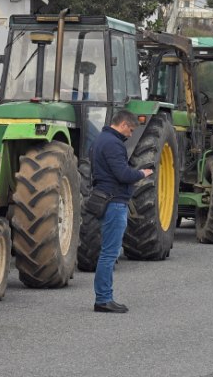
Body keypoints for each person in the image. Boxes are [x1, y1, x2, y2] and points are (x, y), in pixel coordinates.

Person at [90, 110, 153, 313]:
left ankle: (104, 297)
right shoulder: (113, 144)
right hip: (114, 202)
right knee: (110, 253)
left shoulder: (100, 139)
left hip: (105, 198)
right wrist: (142, 173)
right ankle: (103, 299)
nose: (130, 134)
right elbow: (123, 174)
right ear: (124, 124)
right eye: (131, 130)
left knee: (107, 252)